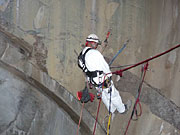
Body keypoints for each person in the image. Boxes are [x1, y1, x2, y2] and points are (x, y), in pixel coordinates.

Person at [78, 33, 131, 114]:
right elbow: (104, 66)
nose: (96, 46)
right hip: (102, 79)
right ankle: (122, 110)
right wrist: (109, 75)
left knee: (103, 94)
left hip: (93, 81)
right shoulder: (95, 53)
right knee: (113, 94)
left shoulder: (81, 55)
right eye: (96, 44)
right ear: (93, 42)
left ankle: (112, 109)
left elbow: (83, 68)